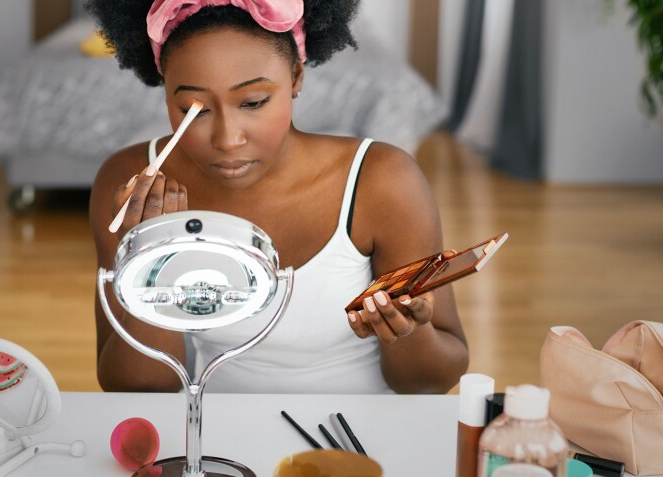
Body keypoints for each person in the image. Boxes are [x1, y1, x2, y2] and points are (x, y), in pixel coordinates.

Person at [88, 0, 469, 394]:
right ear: (165, 89)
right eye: (192, 109)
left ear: (296, 76)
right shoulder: (131, 184)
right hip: (216, 436)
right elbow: (137, 389)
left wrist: (408, 331)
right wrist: (153, 260)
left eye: (253, 102)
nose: (227, 139)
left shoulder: (382, 181)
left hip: (361, 437)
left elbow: (430, 380)